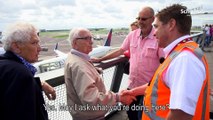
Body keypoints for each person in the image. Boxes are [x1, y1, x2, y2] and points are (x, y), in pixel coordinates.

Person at [124, 4, 210, 120]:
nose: (154, 33)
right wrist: (134, 91)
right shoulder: (179, 53)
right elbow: (161, 84)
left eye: (157, 26)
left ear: (171, 25)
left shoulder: (184, 59)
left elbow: (181, 114)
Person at [91, 6, 164, 120]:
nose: (140, 21)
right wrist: (101, 59)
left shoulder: (158, 37)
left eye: (143, 19)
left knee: (145, 116)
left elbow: (163, 65)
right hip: (132, 86)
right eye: (138, 18)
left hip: (148, 88)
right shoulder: (132, 35)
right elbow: (120, 50)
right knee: (131, 115)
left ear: (152, 19)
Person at [64, 28, 136, 120]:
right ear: (75, 43)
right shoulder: (79, 66)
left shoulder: (75, 58)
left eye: (91, 38)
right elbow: (92, 99)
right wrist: (118, 97)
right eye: (86, 38)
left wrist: (93, 70)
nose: (91, 42)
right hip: (90, 116)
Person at [0, 22, 56, 120]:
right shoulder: (20, 73)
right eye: (34, 43)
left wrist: (39, 84)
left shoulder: (6, 66)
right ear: (16, 47)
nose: (39, 48)